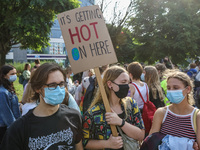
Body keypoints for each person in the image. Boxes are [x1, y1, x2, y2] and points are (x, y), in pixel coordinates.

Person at [0, 63, 83, 150]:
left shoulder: (74, 117)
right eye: (52, 85)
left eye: (61, 84)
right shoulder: (19, 129)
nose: (58, 89)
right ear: (37, 88)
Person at [82, 65, 145, 150]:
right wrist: (107, 144)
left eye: (128, 82)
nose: (127, 86)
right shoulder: (93, 112)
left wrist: (120, 122)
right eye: (123, 82)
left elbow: (141, 135)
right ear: (110, 84)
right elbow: (85, 142)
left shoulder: (131, 104)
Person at [149, 70, 200, 149]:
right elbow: (151, 143)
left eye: (176, 88)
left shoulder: (196, 116)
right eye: (169, 88)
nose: (171, 91)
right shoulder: (161, 113)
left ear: (188, 89)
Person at [0, 65, 21, 144]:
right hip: (5, 128)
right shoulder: (2, 92)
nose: (14, 76)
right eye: (12, 74)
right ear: (4, 76)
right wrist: (14, 128)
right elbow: (6, 113)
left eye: (15, 73)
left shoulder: (8, 88)